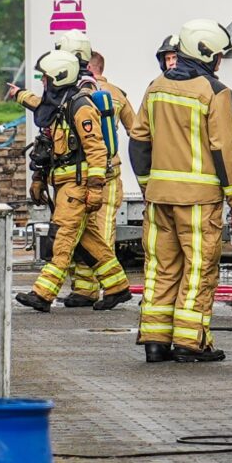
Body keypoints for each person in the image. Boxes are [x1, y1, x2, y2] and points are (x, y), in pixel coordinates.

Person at [126, 19, 232, 363]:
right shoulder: (215, 92)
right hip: (199, 200)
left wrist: (149, 186)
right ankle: (189, 343)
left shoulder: (156, 85)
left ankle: (154, 340)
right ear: (206, 54)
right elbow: (224, 149)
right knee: (198, 268)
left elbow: (138, 141)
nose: (220, 61)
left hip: (159, 197)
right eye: (219, 55)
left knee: (161, 267)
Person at [12, 50, 127, 313]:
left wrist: (96, 188)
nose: (43, 83)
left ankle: (43, 294)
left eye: (46, 78)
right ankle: (117, 286)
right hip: (64, 185)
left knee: (61, 238)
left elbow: (97, 150)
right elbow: (48, 147)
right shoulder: (59, 106)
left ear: (59, 78)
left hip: (78, 186)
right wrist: (39, 178)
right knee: (88, 239)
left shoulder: (80, 106)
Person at [82, 45, 137, 300]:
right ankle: (96, 287)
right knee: (103, 230)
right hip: (110, 171)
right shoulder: (118, 94)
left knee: (82, 230)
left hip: (83, 173)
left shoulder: (79, 93)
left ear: (91, 67)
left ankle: (86, 289)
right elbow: (137, 131)